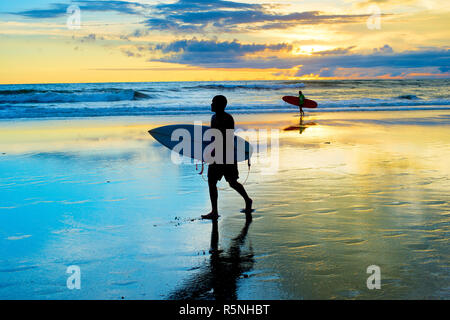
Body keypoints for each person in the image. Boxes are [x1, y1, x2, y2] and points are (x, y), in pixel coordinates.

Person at [201, 95, 253, 220]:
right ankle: (214, 211)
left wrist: (214, 150)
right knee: (211, 182)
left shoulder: (227, 118)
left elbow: (227, 138)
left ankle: (247, 199)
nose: (211, 104)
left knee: (232, 182)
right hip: (216, 154)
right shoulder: (213, 118)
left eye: (213, 102)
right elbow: (214, 136)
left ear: (220, 105)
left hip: (227, 154)